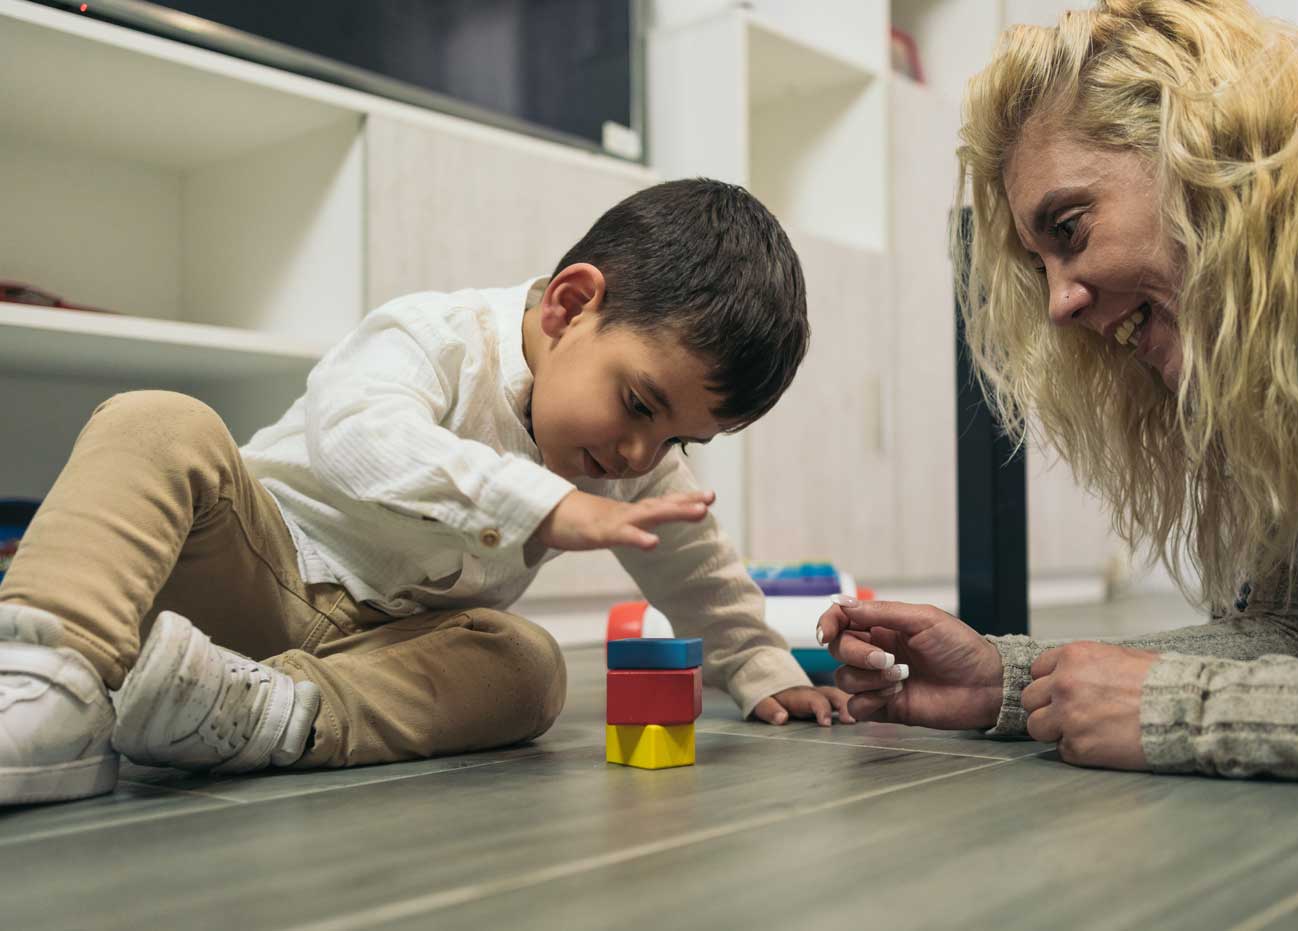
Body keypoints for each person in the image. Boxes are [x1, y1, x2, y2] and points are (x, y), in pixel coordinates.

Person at [0, 179, 850, 806]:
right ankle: (52, 679)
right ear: (570, 304)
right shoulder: (435, 337)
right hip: (248, 568)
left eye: (677, 440)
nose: (640, 450)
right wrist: (541, 505)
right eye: (638, 404)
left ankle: (263, 716)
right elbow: (358, 433)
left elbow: (696, 565)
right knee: (157, 422)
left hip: (370, 652)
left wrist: (759, 664)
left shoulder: (628, 454)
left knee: (528, 668)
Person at [820, 0, 1298, 786]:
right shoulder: (1296, 333)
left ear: (1191, 137)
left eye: (1070, 228)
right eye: (1040, 266)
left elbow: (1232, 688)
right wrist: (1009, 679)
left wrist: (1184, 710)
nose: (1059, 303)